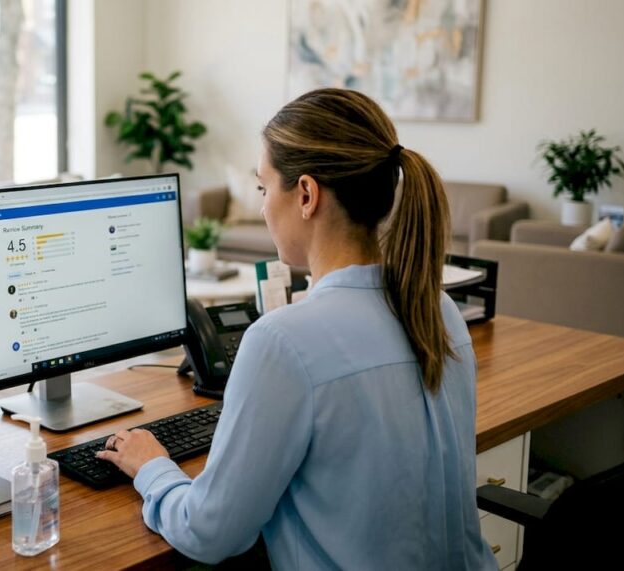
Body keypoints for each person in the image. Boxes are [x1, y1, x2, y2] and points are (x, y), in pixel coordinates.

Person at [96, 88, 498, 569]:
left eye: (264, 189)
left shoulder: (283, 341)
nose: (264, 207)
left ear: (306, 195)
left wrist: (152, 468)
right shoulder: (439, 309)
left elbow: (209, 533)